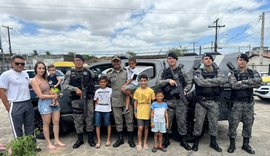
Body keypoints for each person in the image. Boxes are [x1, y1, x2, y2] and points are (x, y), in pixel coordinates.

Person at [0, 55, 41, 151]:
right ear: (12, 64)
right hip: (15, 104)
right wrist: (8, 107)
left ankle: (32, 145)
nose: (20, 65)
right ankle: (20, 147)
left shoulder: (25, 74)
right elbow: (1, 92)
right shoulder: (6, 75)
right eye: (17, 63)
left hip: (27, 102)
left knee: (30, 126)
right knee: (17, 128)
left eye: (22, 64)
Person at [156, 52, 192, 150]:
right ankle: (166, 139)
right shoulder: (164, 72)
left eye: (172, 58)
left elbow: (189, 83)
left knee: (182, 121)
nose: (170, 60)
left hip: (180, 101)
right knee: (168, 121)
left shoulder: (182, 71)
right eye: (169, 58)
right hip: (168, 101)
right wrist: (168, 81)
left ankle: (183, 140)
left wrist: (184, 90)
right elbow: (157, 82)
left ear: (176, 59)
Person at [227, 54, 262, 154]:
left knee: (248, 124)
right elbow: (233, 85)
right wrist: (250, 83)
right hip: (236, 103)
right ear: (237, 61)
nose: (241, 61)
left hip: (249, 103)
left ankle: (245, 144)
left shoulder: (252, 72)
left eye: (244, 60)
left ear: (247, 62)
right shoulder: (232, 72)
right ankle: (232, 144)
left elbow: (258, 82)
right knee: (233, 124)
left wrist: (241, 81)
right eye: (240, 60)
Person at [191, 53, 226, 152]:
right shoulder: (198, 72)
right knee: (198, 123)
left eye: (210, 58)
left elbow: (223, 80)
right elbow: (200, 82)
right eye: (206, 58)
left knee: (213, 123)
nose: (208, 60)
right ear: (202, 61)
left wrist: (208, 81)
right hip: (201, 102)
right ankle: (196, 142)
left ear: (212, 60)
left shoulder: (217, 71)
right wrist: (215, 81)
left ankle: (213, 142)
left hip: (213, 101)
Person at [62, 54, 96, 149]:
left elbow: (98, 79)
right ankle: (80, 139)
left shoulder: (89, 72)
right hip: (76, 100)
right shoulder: (69, 73)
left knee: (89, 118)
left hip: (88, 99)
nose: (77, 62)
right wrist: (75, 88)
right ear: (73, 62)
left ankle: (90, 139)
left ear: (83, 61)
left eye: (79, 60)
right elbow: (64, 86)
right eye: (76, 60)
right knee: (78, 119)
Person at [31, 62, 65, 150]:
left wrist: (55, 93)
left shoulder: (46, 78)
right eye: (39, 68)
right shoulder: (34, 81)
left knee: (56, 121)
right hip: (44, 103)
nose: (42, 70)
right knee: (46, 123)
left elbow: (52, 87)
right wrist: (53, 96)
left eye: (43, 68)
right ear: (36, 69)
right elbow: (41, 96)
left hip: (53, 101)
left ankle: (57, 140)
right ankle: (49, 143)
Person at [106, 55, 135, 148]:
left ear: (120, 62)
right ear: (112, 63)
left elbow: (132, 82)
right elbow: (104, 83)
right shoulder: (109, 74)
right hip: (115, 100)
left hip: (126, 99)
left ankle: (130, 139)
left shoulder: (126, 72)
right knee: (118, 121)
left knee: (129, 120)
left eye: (117, 61)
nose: (116, 63)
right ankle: (120, 139)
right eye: (114, 61)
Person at [133, 74, 155, 150]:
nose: (143, 82)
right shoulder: (137, 90)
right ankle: (139, 142)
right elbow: (135, 102)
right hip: (139, 112)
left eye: (144, 81)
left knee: (146, 127)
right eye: (141, 81)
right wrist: (135, 112)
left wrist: (153, 112)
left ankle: (145, 142)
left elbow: (153, 102)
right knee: (140, 127)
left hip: (148, 112)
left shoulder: (150, 91)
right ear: (139, 81)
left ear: (147, 81)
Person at [94, 76, 112, 148]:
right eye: (101, 82)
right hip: (98, 109)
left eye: (104, 82)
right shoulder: (97, 91)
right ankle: (98, 141)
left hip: (107, 109)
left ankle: (108, 139)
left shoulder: (110, 90)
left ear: (106, 82)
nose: (102, 83)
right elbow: (95, 100)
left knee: (108, 124)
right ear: (99, 83)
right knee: (97, 125)